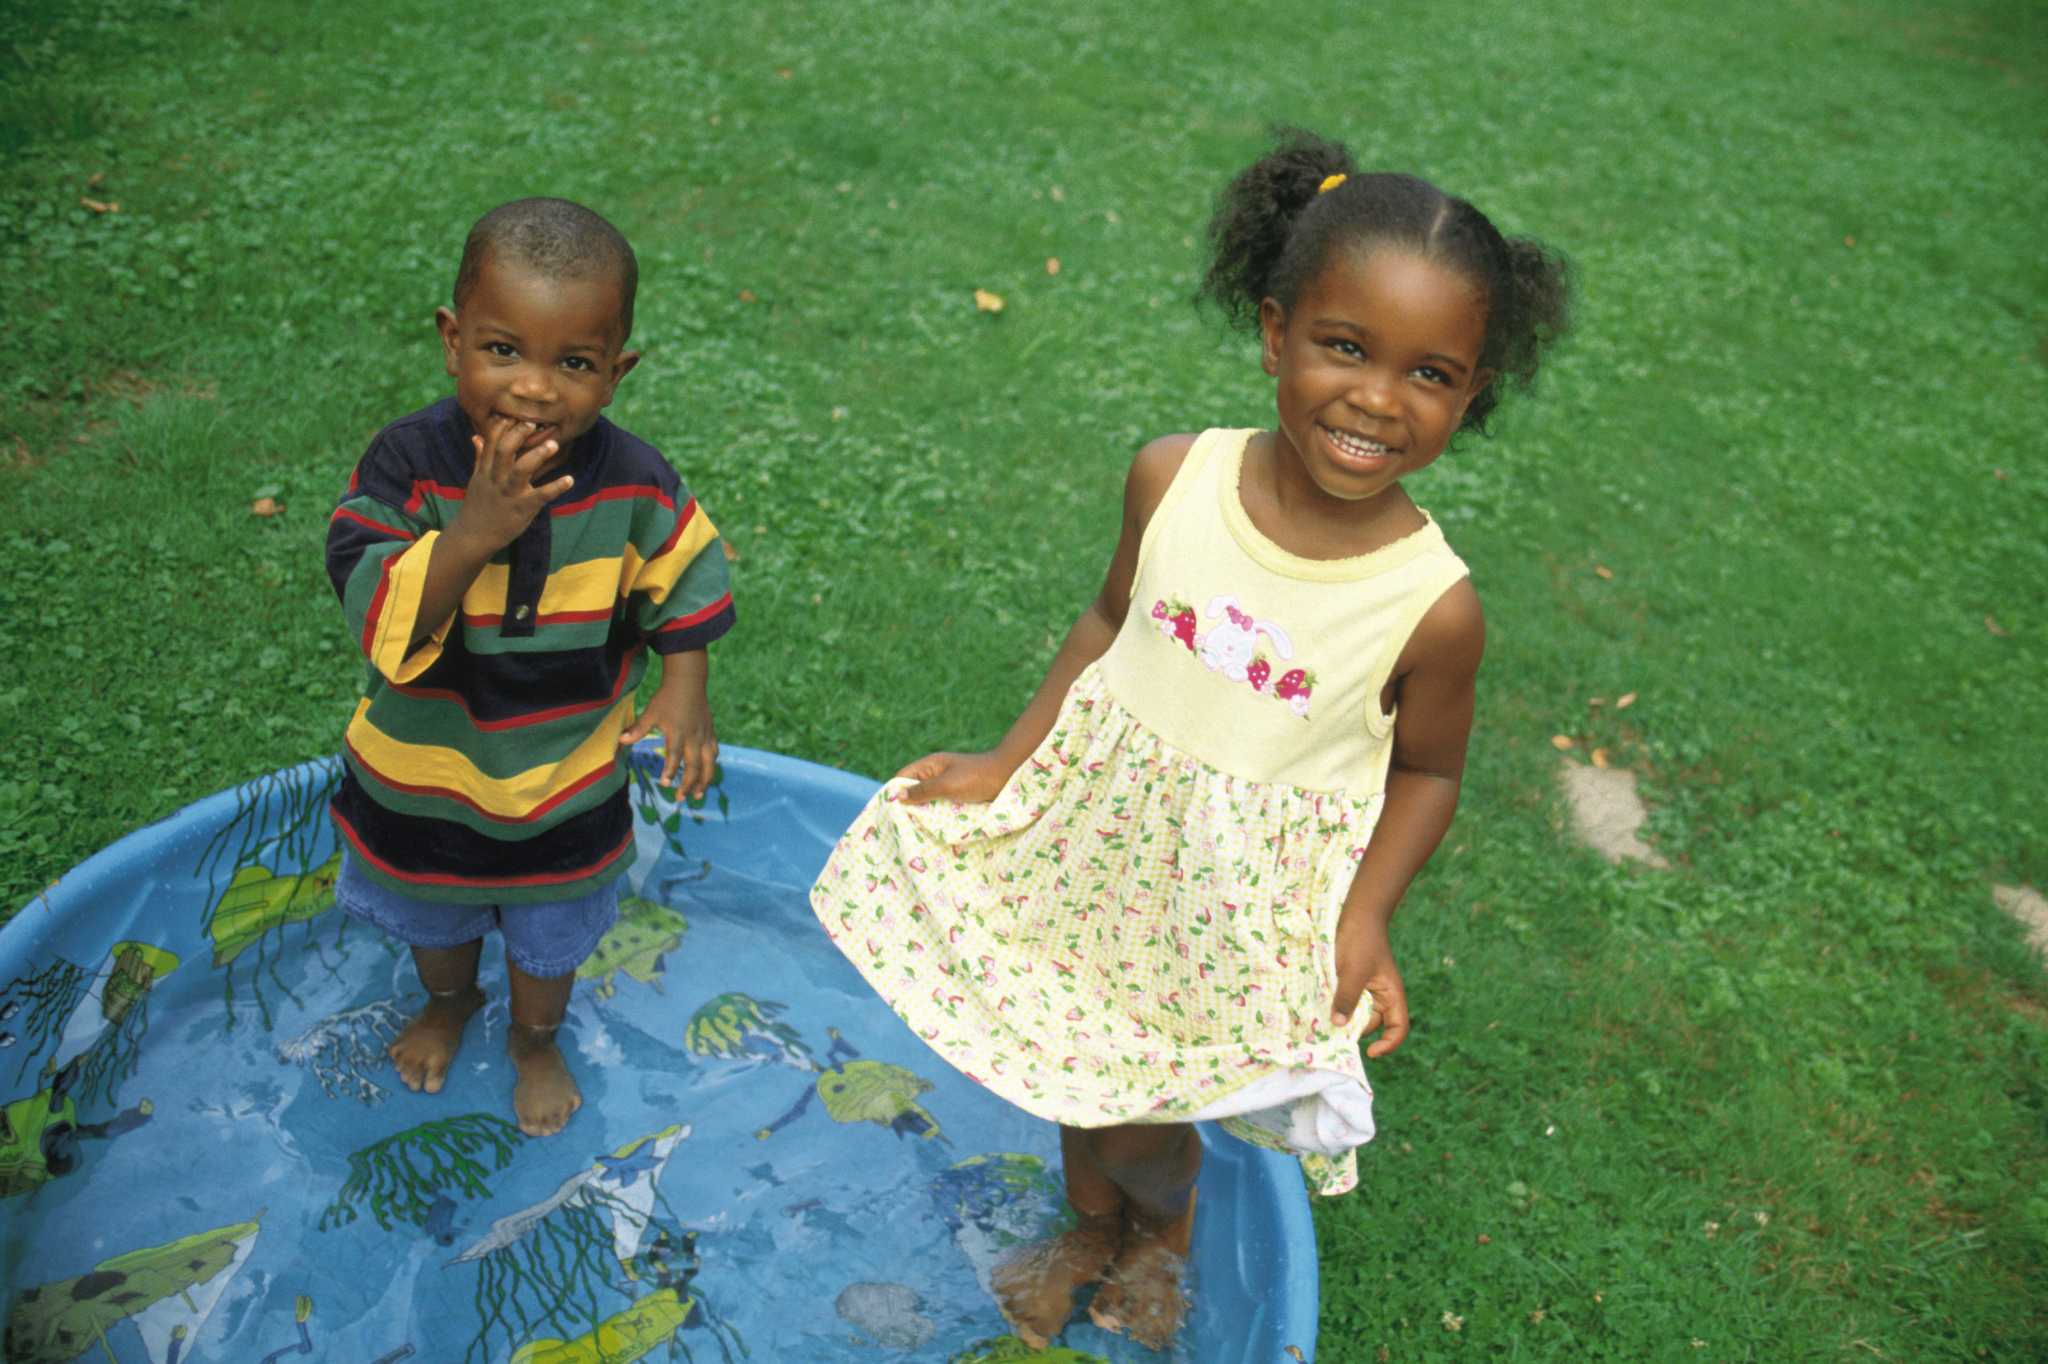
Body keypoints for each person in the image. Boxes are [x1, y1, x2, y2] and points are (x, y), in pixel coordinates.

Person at [809, 129, 1569, 1350]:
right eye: (1343, 346)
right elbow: (1108, 620)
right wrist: (1006, 764)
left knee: (1139, 1108)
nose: (1377, 397)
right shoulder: (1172, 479)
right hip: (1093, 847)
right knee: (1066, 1059)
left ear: (1469, 395)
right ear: (1274, 333)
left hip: (1223, 900)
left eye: (1429, 373)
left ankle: (1159, 1227)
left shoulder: (1429, 603)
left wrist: (1363, 914)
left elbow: (1427, 770)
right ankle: (1090, 1221)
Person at [325, 198, 734, 1137]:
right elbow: (376, 604)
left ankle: (535, 1039)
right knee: (436, 920)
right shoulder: (408, 466)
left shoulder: (632, 481)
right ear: (451, 338)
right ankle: (448, 1004)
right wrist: (473, 529)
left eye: (575, 363)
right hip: (426, 775)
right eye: (503, 350)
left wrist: (685, 687)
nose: (537, 388)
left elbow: (685, 567)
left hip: (563, 778)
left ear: (617, 372)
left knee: (549, 943)